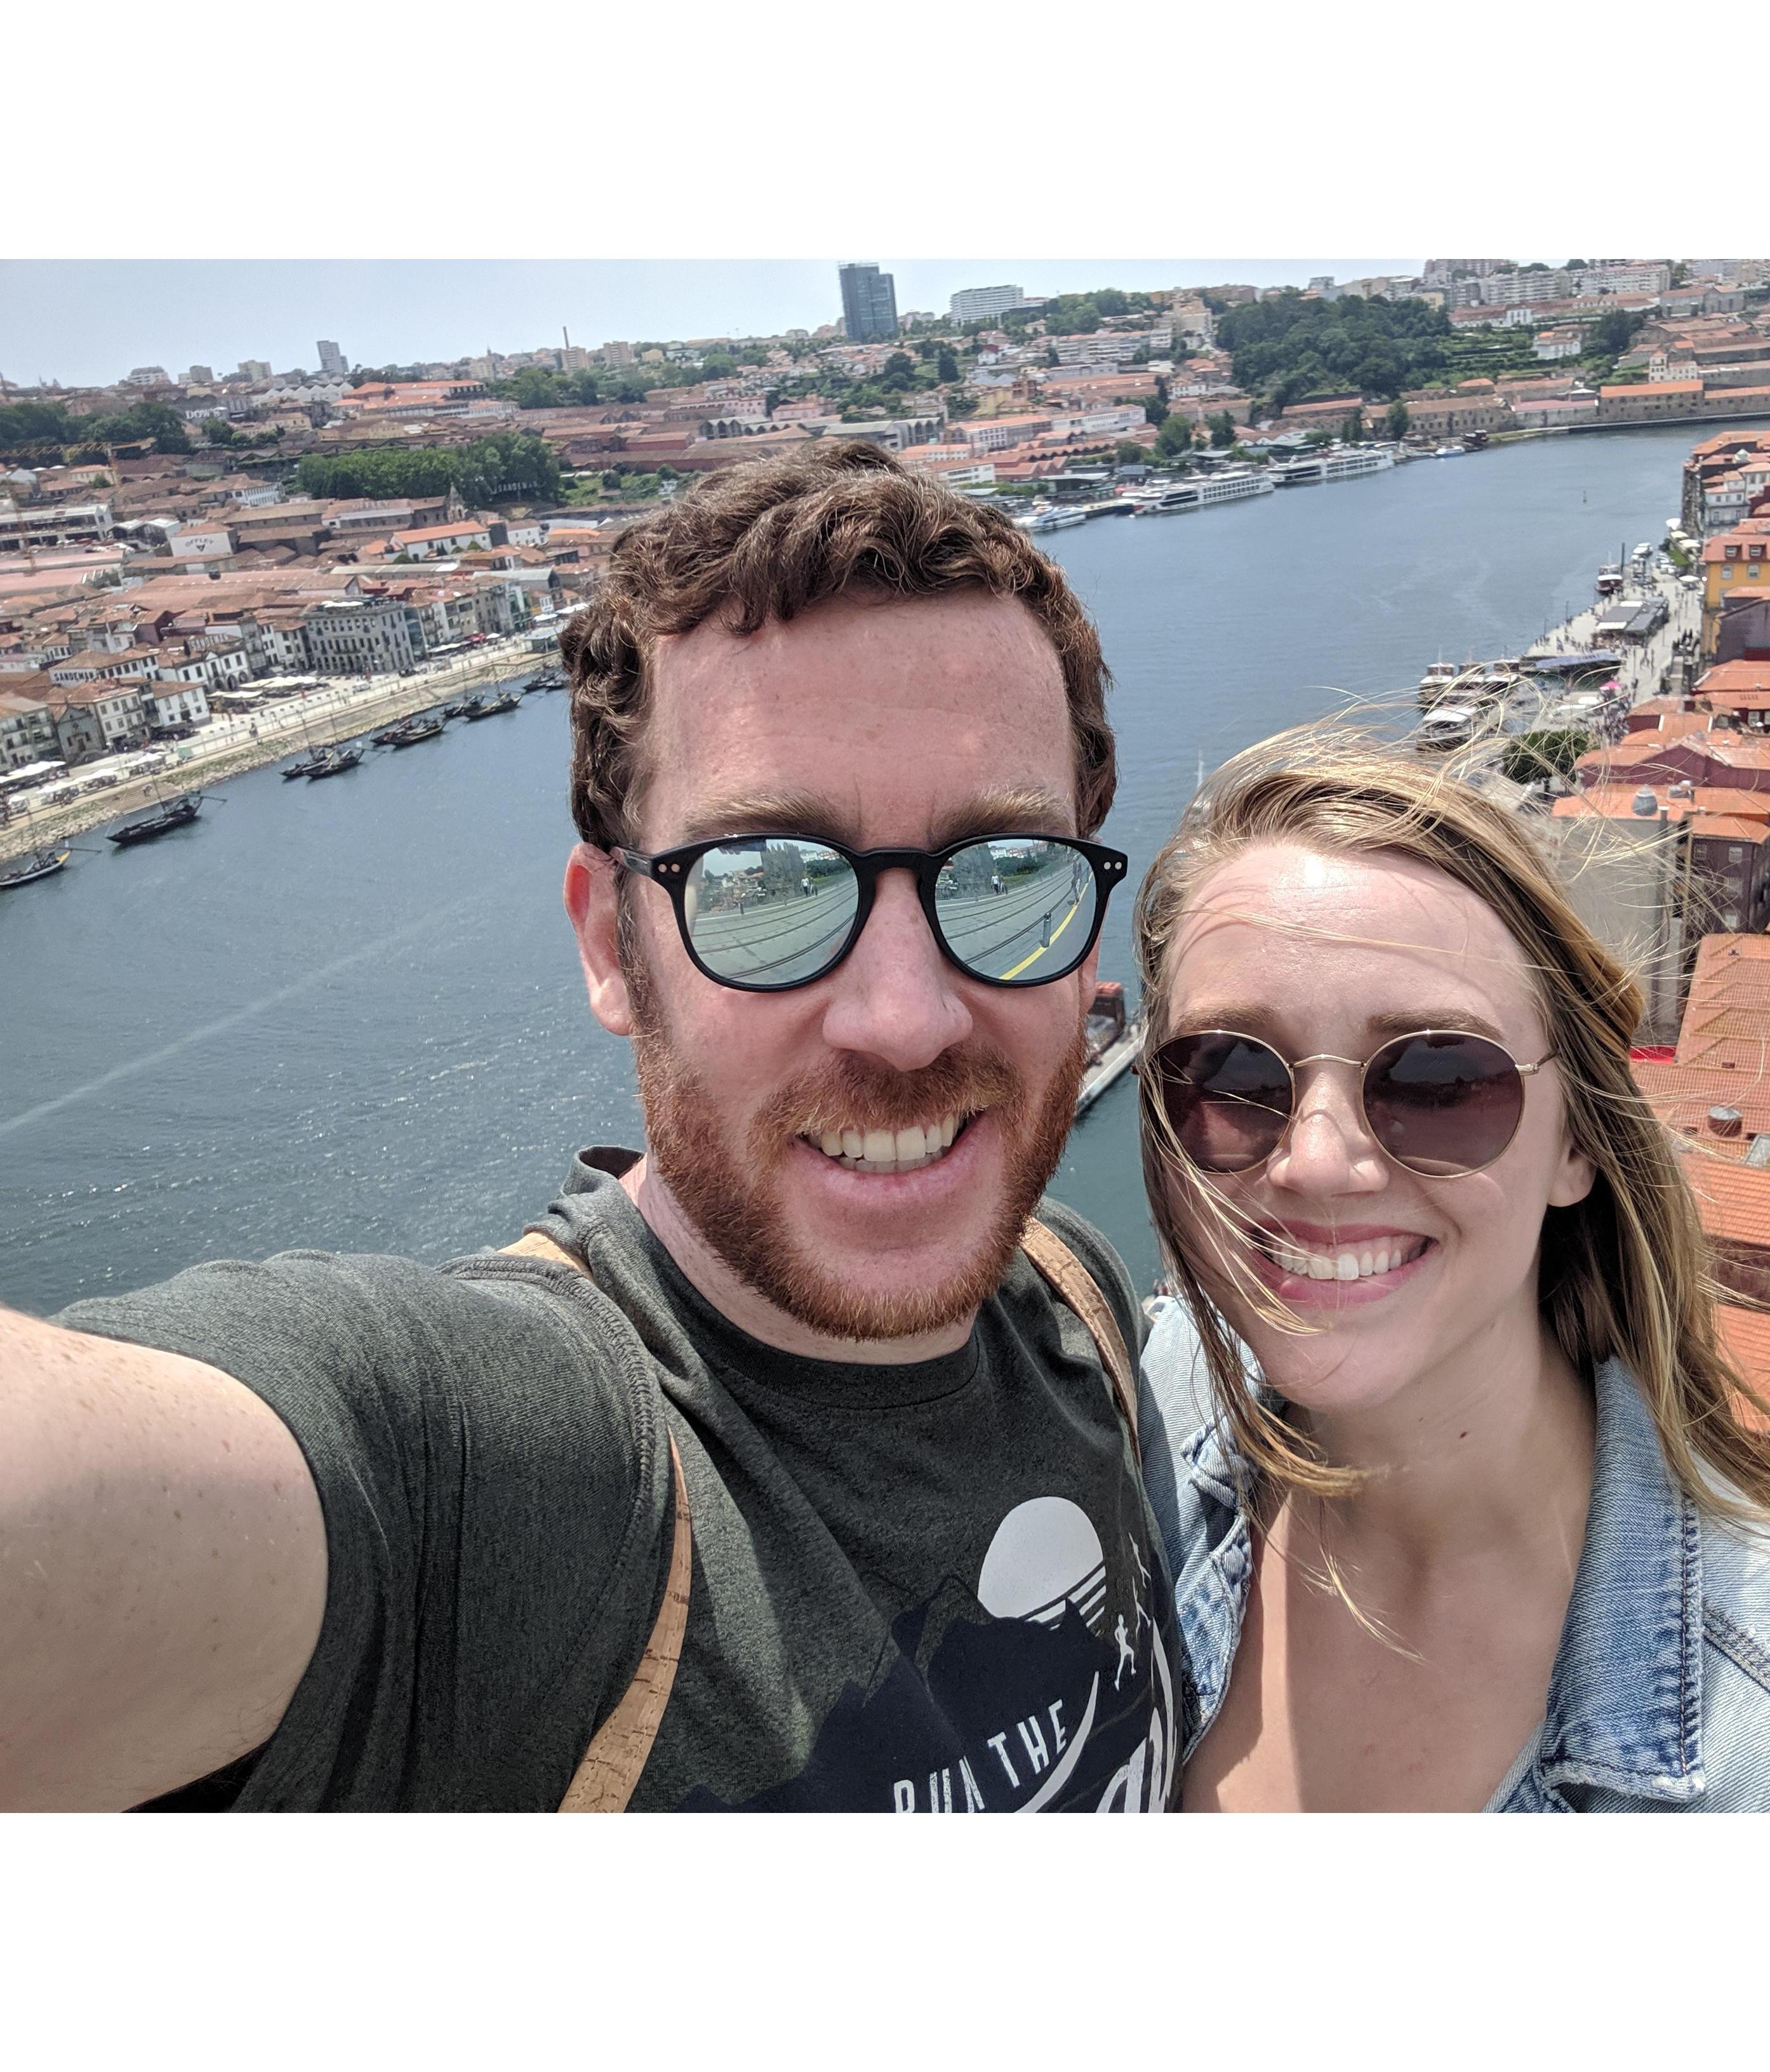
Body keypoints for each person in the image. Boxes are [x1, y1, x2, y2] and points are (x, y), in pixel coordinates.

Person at [1, 442, 1181, 1813]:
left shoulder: (1079, 1301)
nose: (906, 1018)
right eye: (764, 885)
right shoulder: (497, 1474)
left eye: (1006, 875)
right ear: (611, 947)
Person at [1128, 721, 1770, 1812]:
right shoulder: (1140, 1431)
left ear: (1577, 1138)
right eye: (1231, 1074)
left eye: (1438, 1077)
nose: (1318, 1161)